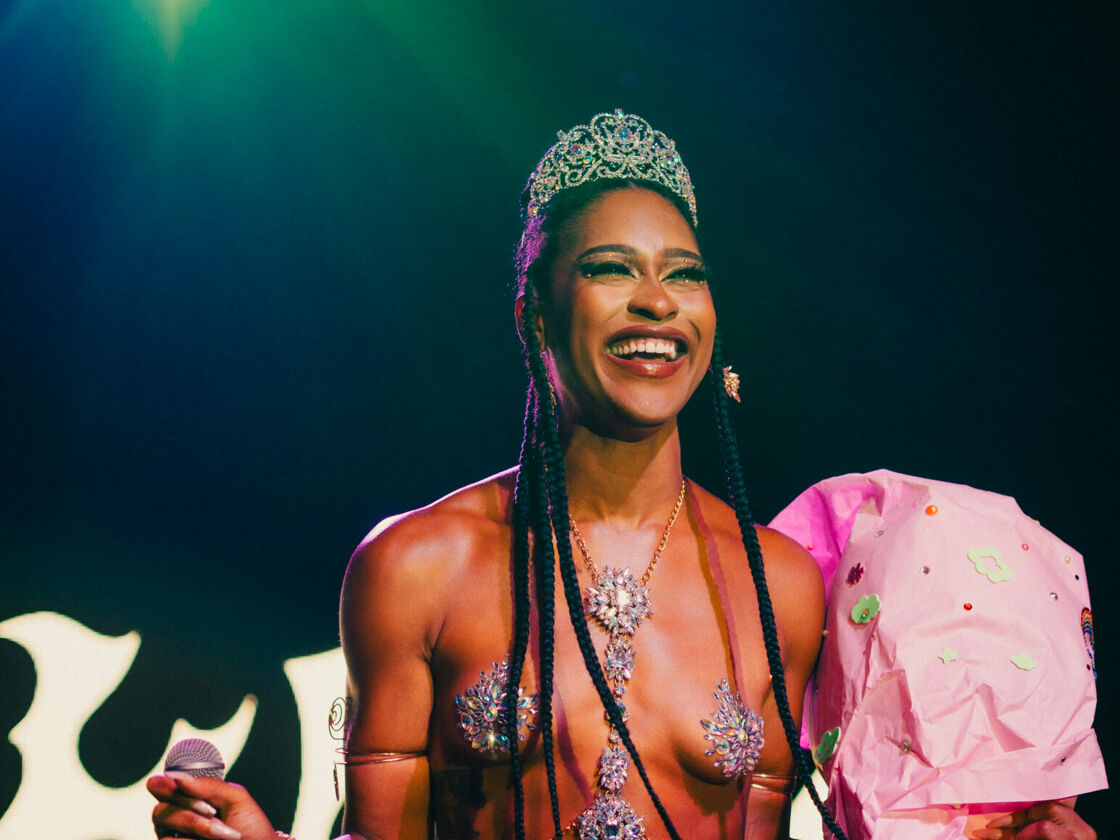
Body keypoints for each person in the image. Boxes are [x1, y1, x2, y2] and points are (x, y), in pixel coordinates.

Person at [148, 112, 1099, 840]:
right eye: (611, 268)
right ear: (532, 312)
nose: (656, 302)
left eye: (684, 274)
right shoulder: (414, 568)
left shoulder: (781, 588)